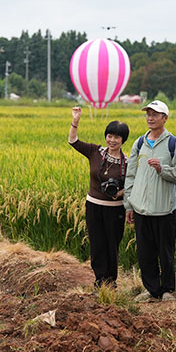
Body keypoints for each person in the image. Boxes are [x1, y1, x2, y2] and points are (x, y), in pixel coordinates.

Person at [124, 100, 176, 302]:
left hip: (165, 209)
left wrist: (162, 169)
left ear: (165, 118)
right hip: (141, 208)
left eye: (155, 114)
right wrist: (129, 205)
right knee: (145, 252)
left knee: (165, 252)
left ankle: (167, 289)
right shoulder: (139, 143)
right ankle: (152, 289)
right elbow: (130, 175)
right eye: (148, 114)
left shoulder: (173, 144)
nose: (150, 118)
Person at [69, 106, 130, 288]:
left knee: (112, 245)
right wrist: (76, 120)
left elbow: (134, 184)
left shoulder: (127, 162)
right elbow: (73, 141)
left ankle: (111, 281)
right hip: (94, 205)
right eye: (109, 136)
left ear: (123, 140)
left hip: (116, 209)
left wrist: (121, 192)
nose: (112, 140)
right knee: (97, 244)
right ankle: (99, 280)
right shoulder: (95, 152)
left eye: (116, 137)